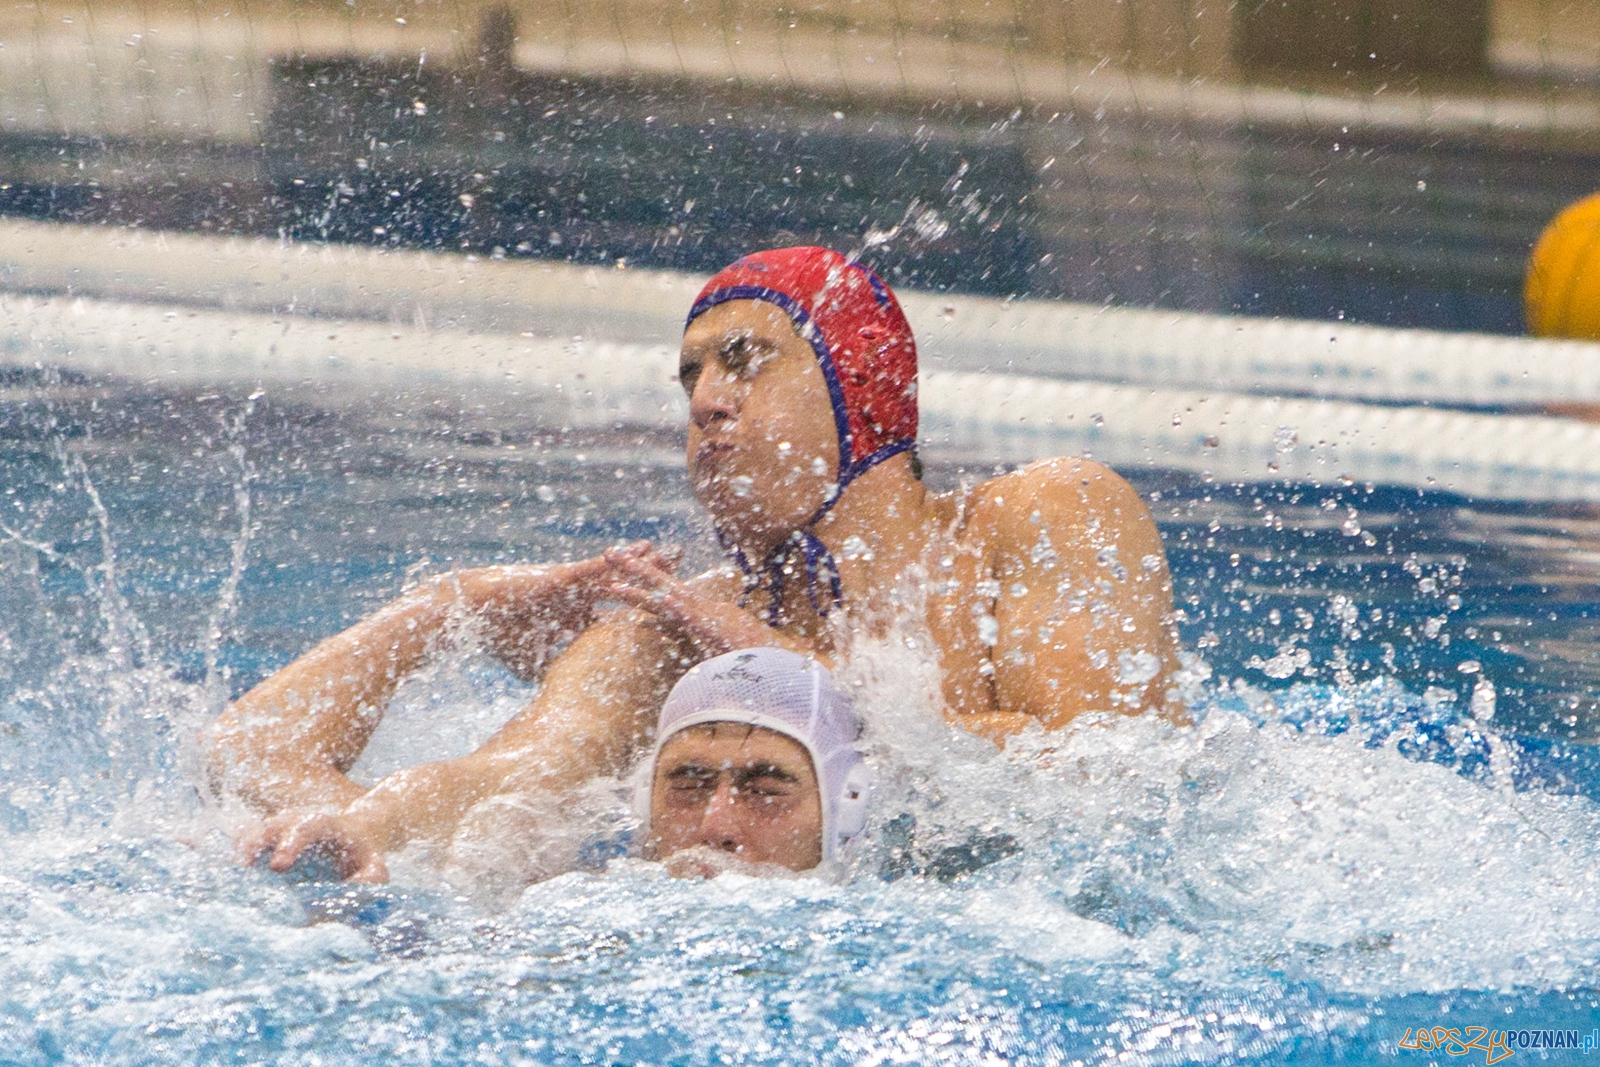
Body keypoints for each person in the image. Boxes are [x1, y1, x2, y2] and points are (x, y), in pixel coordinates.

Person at [206, 245, 1180, 881]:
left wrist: (775, 658)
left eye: (746, 361)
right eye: (692, 377)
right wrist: (443, 609)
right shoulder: (675, 622)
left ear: (859, 385)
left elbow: (1111, 781)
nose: (706, 400)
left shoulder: (1039, 513)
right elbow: (255, 755)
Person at [239, 647, 868, 881]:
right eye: (687, 783)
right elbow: (483, 785)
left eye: (765, 789)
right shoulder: (568, 900)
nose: (716, 828)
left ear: (845, 812)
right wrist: (366, 828)